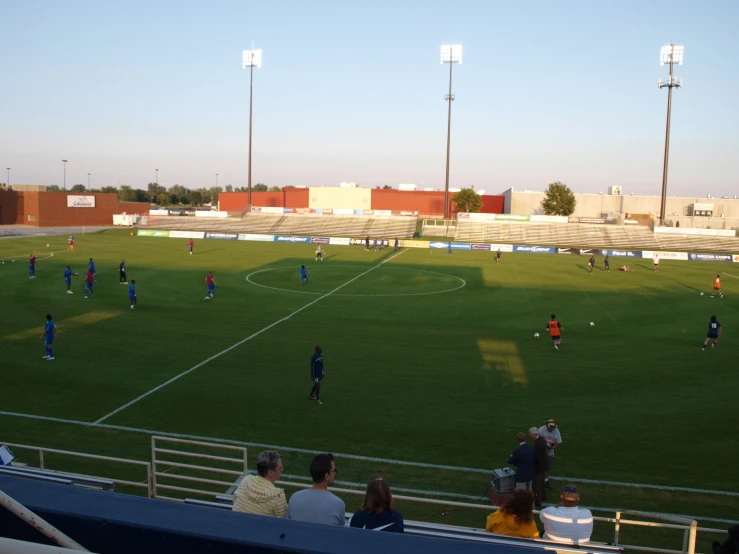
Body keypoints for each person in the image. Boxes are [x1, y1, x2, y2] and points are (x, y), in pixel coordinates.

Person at [286, 453, 345, 526]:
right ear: (327, 476)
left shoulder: (294, 498)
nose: (335, 473)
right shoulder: (338, 504)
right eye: (334, 470)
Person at [233, 451, 287, 518]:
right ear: (270, 472)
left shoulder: (245, 481)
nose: (282, 469)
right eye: (280, 468)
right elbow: (280, 523)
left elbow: (234, 502)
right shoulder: (278, 497)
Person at [538, 420, 563, 487]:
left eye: (554, 426)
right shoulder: (541, 430)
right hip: (541, 451)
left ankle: (546, 480)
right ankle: (539, 479)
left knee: (548, 467)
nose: (552, 428)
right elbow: (537, 440)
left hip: (550, 452)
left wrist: (553, 447)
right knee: (540, 466)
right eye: (551, 426)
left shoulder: (556, 430)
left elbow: (559, 441)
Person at [529, 427, 548, 508]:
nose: (530, 437)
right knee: (542, 484)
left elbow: (537, 457)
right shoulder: (542, 440)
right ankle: (544, 496)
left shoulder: (537, 444)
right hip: (543, 466)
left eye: (530, 435)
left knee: (537, 485)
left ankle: (538, 501)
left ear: (534, 434)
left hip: (538, 467)